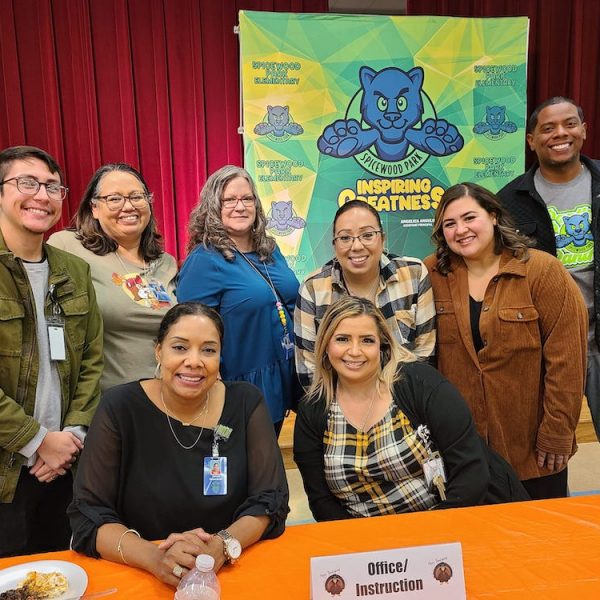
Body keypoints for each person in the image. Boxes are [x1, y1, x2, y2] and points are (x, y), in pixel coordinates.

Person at [69, 302, 288, 586]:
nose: (194, 361)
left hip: (230, 570)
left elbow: (270, 499)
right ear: (158, 350)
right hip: (140, 573)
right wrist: (155, 558)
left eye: (208, 350)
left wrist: (221, 546)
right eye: (180, 347)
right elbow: (88, 514)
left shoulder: (246, 402)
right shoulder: (120, 408)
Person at [425, 182, 587, 500]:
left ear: (494, 216)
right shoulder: (430, 275)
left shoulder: (542, 272)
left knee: (540, 541)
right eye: (449, 223)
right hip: (464, 454)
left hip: (533, 451)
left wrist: (558, 431)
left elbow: (568, 360)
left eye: (470, 217)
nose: (461, 230)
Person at [293, 296, 493, 522]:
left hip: (441, 529)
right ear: (325, 347)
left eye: (367, 340)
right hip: (361, 544)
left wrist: (424, 538)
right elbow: (321, 502)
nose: (355, 351)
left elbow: (472, 473)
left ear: (383, 345)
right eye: (342, 339)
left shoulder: (421, 384)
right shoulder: (313, 411)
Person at [0, 146, 103, 557]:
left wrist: (71, 437)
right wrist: (37, 440)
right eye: (27, 183)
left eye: (52, 186)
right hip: (8, 466)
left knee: (56, 572)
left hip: (61, 464)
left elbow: (92, 360)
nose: (42, 195)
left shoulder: (73, 270)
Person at [498, 97, 600, 441]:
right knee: (546, 447)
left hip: (598, 341)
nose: (560, 133)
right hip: (544, 346)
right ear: (531, 140)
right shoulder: (508, 202)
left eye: (570, 124)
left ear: (584, 131)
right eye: (547, 128)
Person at [177, 166, 299, 436]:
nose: (240, 206)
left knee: (266, 467)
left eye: (247, 198)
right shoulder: (205, 260)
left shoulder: (270, 249)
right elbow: (191, 334)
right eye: (229, 200)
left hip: (281, 376)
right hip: (237, 388)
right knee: (241, 471)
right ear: (213, 206)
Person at [48, 163, 177, 391]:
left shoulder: (165, 262)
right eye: (114, 199)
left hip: (167, 397)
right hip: (106, 402)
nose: (128, 206)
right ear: (94, 208)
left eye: (137, 197)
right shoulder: (67, 247)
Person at [294, 199, 436, 390]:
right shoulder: (313, 289)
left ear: (382, 239)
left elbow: (425, 355)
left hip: (407, 400)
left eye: (367, 235)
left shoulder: (414, 274)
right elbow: (309, 371)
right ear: (334, 245)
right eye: (345, 238)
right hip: (339, 405)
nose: (357, 246)